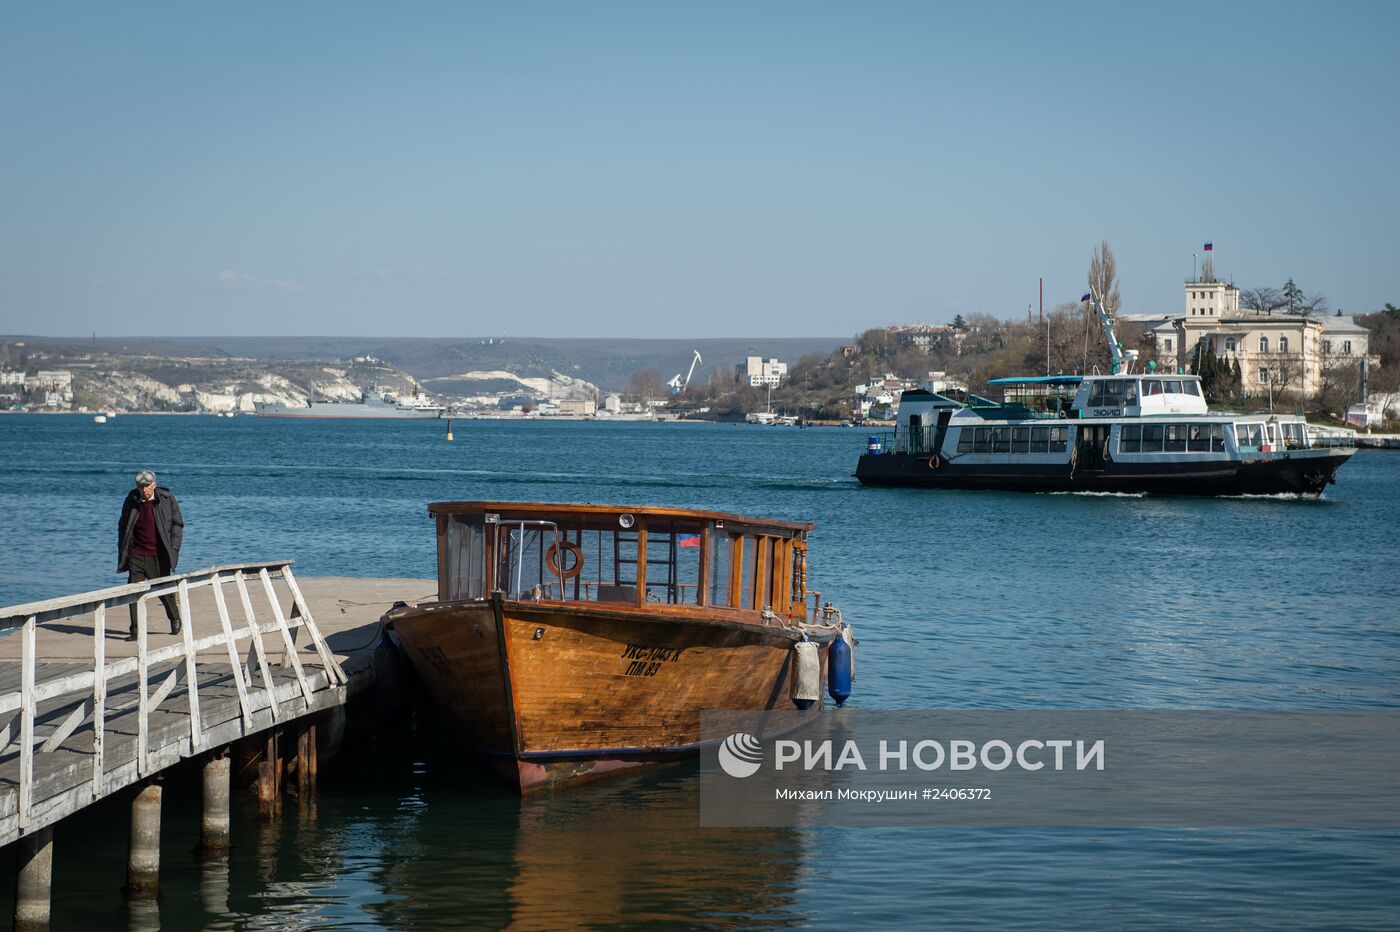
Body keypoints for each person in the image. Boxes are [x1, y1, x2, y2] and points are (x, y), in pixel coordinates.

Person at [118, 470, 184, 638]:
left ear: (154, 485)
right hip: (136, 554)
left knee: (163, 590)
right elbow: (123, 526)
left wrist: (174, 548)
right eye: (141, 487)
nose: (144, 490)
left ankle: (175, 618)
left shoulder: (167, 500)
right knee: (134, 592)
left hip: (158, 554)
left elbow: (178, 525)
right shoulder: (131, 500)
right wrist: (124, 549)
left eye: (147, 486)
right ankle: (136, 630)